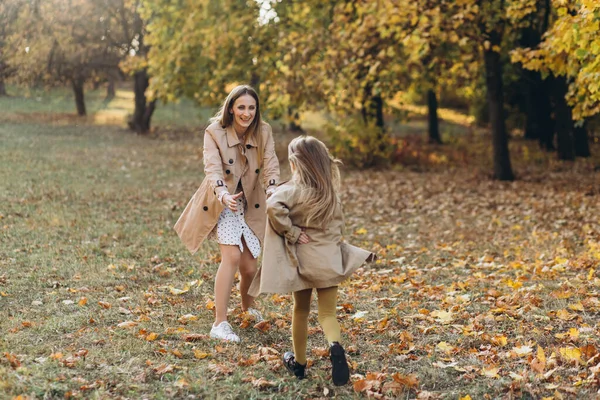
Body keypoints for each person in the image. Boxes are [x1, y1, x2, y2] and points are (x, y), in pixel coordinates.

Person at [248, 136, 375, 386]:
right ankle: (335, 346)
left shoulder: (291, 191)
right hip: (329, 261)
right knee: (327, 313)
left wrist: (292, 232)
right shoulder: (330, 195)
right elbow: (338, 230)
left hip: (302, 265)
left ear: (296, 165)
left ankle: (299, 364)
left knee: (301, 311)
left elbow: (273, 207)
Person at [174, 85, 280, 343]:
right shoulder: (214, 132)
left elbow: (271, 164)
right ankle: (219, 322)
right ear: (231, 108)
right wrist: (223, 194)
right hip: (224, 200)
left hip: (252, 201)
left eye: (251, 107)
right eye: (241, 107)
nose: (247, 113)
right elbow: (212, 169)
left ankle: (247, 308)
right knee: (231, 256)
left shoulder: (263, 131)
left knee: (250, 265)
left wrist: (274, 189)